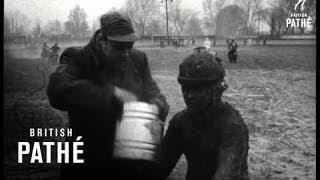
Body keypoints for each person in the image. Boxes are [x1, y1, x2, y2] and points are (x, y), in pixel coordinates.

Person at [46, 11, 169, 179]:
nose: (126, 53)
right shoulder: (78, 57)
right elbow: (57, 91)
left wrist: (155, 109)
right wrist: (112, 95)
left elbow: (156, 95)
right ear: (102, 40)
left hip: (128, 159)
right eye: (119, 47)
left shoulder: (138, 59)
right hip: (87, 158)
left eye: (129, 45)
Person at [157, 51, 249, 180]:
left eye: (197, 89)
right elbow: (160, 169)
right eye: (185, 88)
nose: (189, 95)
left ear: (217, 89)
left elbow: (226, 175)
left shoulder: (232, 126)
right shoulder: (180, 122)